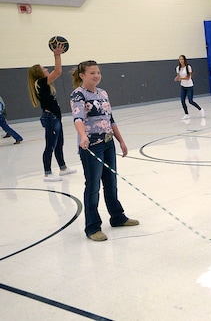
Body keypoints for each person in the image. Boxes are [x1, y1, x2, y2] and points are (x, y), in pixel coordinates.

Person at [69, 60, 139, 242]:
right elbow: (77, 118)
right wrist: (83, 136)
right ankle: (92, 227)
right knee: (93, 186)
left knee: (111, 182)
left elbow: (110, 119)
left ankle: (117, 217)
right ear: (82, 75)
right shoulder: (78, 94)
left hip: (108, 143)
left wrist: (121, 141)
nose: (96, 75)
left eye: (98, 72)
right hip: (91, 146)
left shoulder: (103, 93)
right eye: (92, 73)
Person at [27, 44, 77, 182]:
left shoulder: (44, 84)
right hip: (51, 118)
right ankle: (47, 173)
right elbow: (58, 71)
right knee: (50, 145)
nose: (46, 69)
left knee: (59, 144)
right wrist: (57, 55)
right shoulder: (40, 83)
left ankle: (63, 168)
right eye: (44, 68)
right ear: (38, 73)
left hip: (55, 118)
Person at [174, 55, 204, 120]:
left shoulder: (188, 67)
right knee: (182, 101)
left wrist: (181, 78)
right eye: (180, 59)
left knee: (190, 100)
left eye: (182, 59)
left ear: (184, 60)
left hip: (189, 86)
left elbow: (188, 78)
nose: (181, 60)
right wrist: (177, 79)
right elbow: (178, 77)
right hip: (183, 86)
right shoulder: (178, 68)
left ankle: (200, 109)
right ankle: (186, 114)